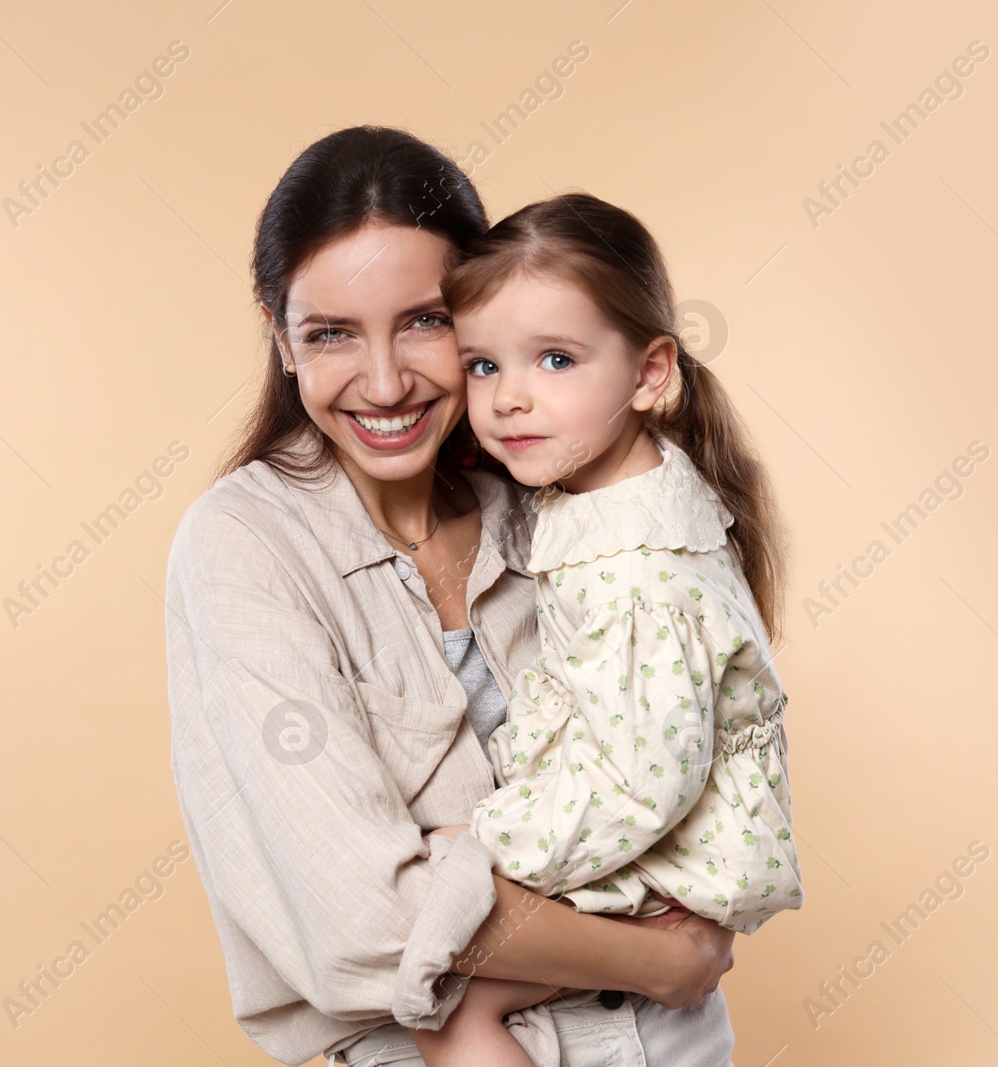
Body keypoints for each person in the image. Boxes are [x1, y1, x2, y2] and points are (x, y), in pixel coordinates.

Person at [165, 126, 740, 1067]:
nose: (386, 383)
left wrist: (458, 868)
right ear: (278, 333)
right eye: (330, 333)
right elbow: (362, 924)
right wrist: (656, 959)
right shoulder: (244, 547)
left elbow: (687, 780)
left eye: (425, 321)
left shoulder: (556, 490)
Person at [402, 194, 803, 1067]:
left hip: (662, 865)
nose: (509, 399)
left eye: (554, 358)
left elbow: (638, 784)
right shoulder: (626, 486)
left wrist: (487, 842)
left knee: (443, 1008)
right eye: (480, 366)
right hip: (643, 844)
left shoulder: (636, 570)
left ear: (651, 372)